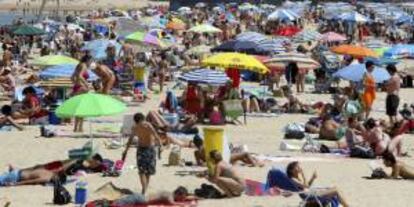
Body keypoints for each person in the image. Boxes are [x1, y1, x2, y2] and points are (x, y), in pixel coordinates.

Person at [122, 113, 162, 194]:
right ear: (141, 119)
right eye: (143, 120)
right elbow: (156, 136)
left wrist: (126, 150)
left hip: (145, 149)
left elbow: (130, 139)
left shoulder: (140, 127)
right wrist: (160, 146)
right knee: (145, 171)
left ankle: (144, 188)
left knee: (145, 171)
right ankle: (144, 188)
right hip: (146, 149)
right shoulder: (143, 126)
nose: (144, 122)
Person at [111, 186, 197, 206]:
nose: (182, 199)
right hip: (140, 198)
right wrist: (185, 204)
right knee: (116, 205)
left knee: (119, 203)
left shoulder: (169, 193)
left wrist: (194, 198)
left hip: (140, 197)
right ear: (178, 194)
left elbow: (185, 198)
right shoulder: (169, 195)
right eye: (181, 197)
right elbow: (173, 203)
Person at [71, 54, 91, 132]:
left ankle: (76, 128)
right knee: (82, 108)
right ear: (88, 60)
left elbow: (72, 77)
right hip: (82, 88)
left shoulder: (79, 65)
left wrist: (76, 84)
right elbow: (80, 76)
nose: (91, 63)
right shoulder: (84, 66)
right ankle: (80, 127)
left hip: (77, 88)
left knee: (78, 108)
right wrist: (86, 84)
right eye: (90, 61)